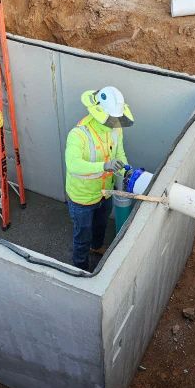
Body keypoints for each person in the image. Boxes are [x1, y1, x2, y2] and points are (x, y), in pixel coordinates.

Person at [64, 86, 135, 271]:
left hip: (105, 193)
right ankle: (81, 268)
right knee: (82, 235)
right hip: (82, 198)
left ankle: (96, 248)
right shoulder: (78, 135)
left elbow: (120, 154)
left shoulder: (115, 129)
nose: (114, 122)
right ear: (97, 112)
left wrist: (126, 171)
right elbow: (73, 165)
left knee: (101, 225)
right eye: (111, 119)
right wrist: (104, 166)